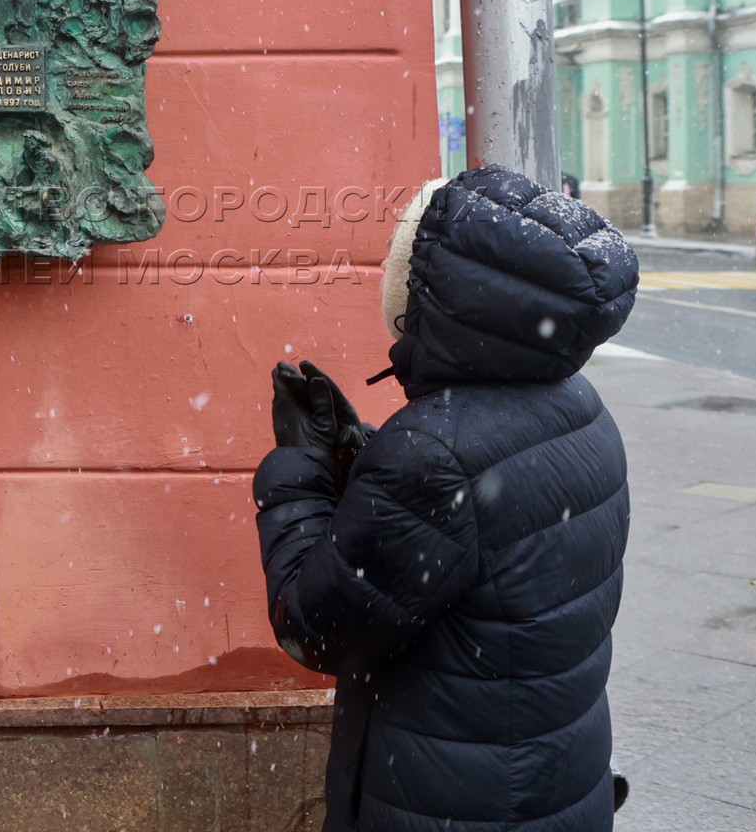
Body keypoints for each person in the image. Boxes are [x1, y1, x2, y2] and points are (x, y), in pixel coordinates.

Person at [255, 165, 638, 831]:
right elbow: (483, 542)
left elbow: (315, 629)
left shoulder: (434, 454)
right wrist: (362, 451)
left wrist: (299, 469)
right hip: (548, 778)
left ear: (437, 297)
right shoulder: (576, 403)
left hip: (453, 801)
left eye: (400, 264)